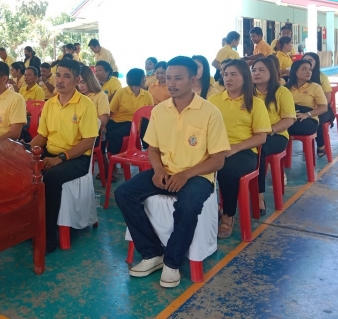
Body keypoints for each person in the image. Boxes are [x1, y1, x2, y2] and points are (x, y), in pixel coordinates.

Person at [115, 56, 230, 288]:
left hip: (198, 175)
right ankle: (152, 253)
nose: (172, 83)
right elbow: (153, 149)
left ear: (193, 79)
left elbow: (218, 160)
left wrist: (185, 175)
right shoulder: (160, 111)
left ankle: (172, 262)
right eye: (169, 78)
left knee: (187, 205)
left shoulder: (210, 112)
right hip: (166, 171)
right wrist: (158, 170)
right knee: (124, 193)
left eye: (178, 78)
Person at [29, 58, 99, 253]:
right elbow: (42, 136)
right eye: (58, 75)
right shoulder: (50, 104)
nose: (60, 80)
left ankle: (48, 237)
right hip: (51, 152)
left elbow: (88, 141)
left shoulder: (85, 105)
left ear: (76, 81)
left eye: (66, 76)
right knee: (22, 167)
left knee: (50, 178)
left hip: (77, 158)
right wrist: (25, 150)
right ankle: (29, 226)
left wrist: (60, 158)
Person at [209, 60, 270, 238]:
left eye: (233, 74)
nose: (228, 78)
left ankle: (228, 214)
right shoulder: (213, 100)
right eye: (225, 74)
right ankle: (209, 209)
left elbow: (261, 137)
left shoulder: (255, 103)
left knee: (227, 169)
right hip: (216, 147)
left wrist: (236, 147)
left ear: (245, 77)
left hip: (245, 151)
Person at [251, 58, 296, 214]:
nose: (256, 73)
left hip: (276, 135)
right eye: (254, 70)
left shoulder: (281, 92)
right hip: (251, 135)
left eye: (261, 70)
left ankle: (259, 196)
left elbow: (289, 119)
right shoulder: (248, 92)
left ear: (271, 72)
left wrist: (269, 130)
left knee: (259, 151)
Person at [106, 69, 154, 169]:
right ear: (138, 79)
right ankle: (106, 160)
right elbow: (111, 111)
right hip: (116, 121)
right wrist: (103, 126)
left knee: (114, 135)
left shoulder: (147, 95)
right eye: (143, 77)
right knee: (103, 133)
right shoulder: (121, 92)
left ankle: (113, 162)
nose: (145, 79)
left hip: (134, 124)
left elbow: (150, 115)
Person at [78, 65, 111, 179]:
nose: (80, 86)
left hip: (93, 134)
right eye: (78, 82)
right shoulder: (77, 96)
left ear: (90, 80)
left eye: (83, 82)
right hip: (76, 133)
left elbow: (103, 121)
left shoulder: (100, 96)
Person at [286, 60, 328, 141]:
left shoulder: (315, 87)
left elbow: (323, 108)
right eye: (304, 69)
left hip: (308, 119)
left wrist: (307, 114)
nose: (308, 72)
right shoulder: (285, 87)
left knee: (284, 127)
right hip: (289, 117)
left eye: (310, 69)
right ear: (295, 71)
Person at [302, 52, 333, 157]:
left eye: (310, 60)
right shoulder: (299, 77)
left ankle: (320, 145)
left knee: (316, 119)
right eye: (304, 60)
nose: (307, 63)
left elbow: (327, 99)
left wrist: (314, 110)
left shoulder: (322, 77)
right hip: (304, 109)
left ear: (316, 62)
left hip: (322, 109)